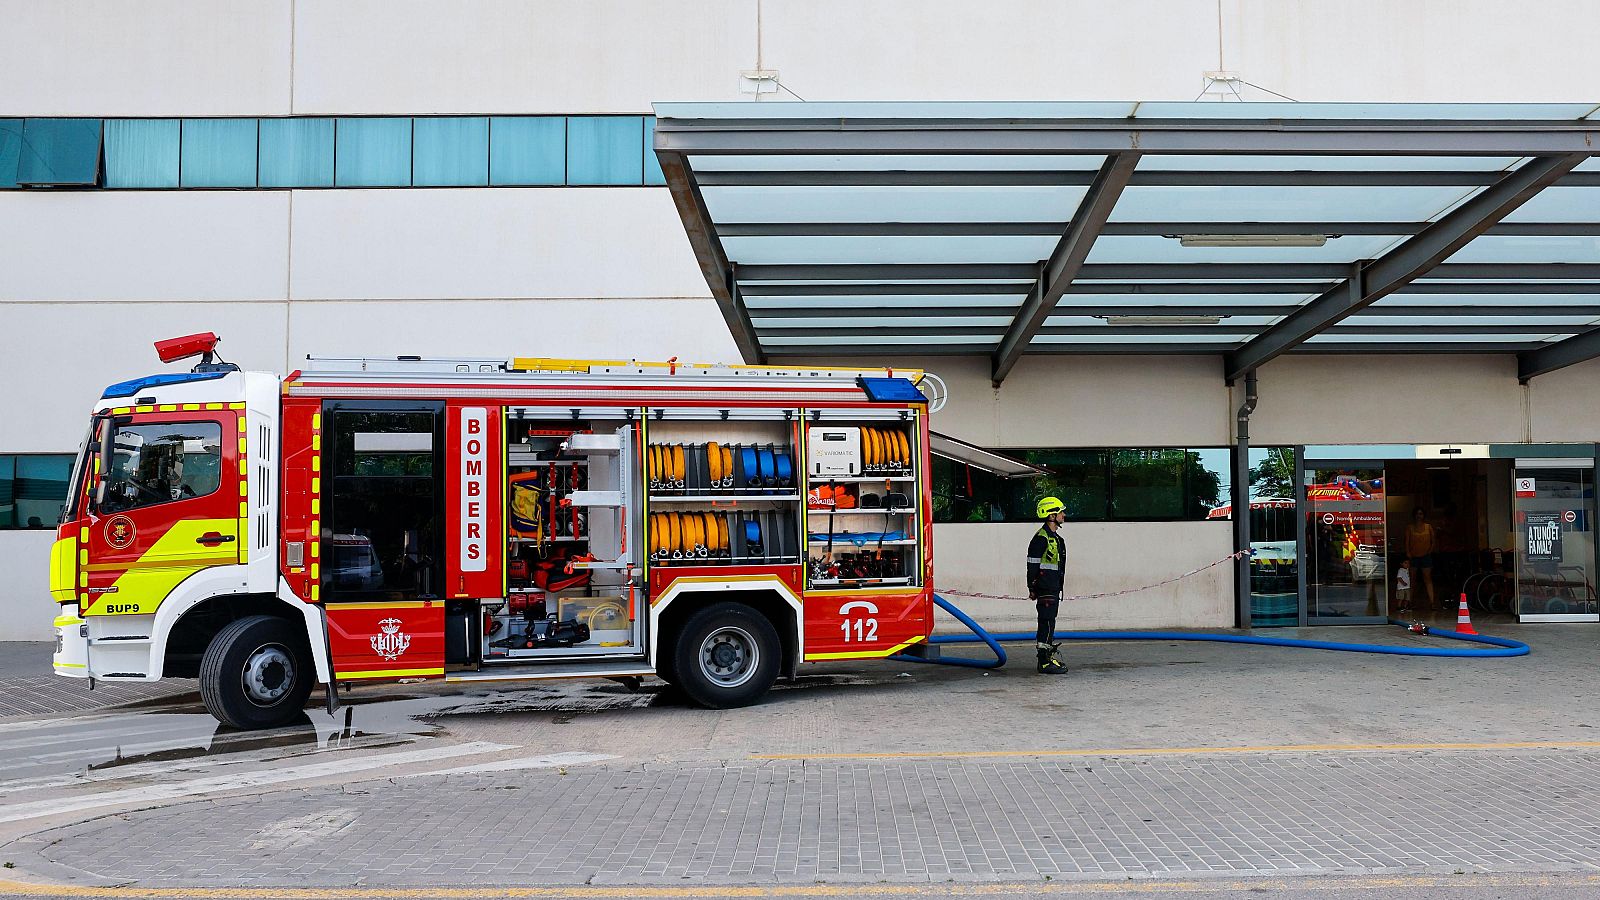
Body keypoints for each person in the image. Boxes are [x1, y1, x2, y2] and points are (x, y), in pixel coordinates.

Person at [1027, 496, 1069, 675]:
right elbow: (1032, 564)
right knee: (1046, 622)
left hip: (1052, 587)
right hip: (1045, 588)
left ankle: (1047, 657)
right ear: (1051, 516)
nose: (1064, 515)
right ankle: (1044, 662)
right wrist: (1032, 587)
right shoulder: (1041, 538)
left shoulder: (1056, 539)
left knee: (1050, 621)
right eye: (1061, 512)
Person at [1405, 508, 1437, 611]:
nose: (1419, 516)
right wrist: (1408, 553)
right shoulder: (1410, 528)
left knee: (1428, 579)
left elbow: (1433, 541)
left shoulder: (1428, 527)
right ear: (1414, 515)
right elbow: (1407, 542)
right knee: (1412, 580)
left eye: (1421, 514)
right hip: (1414, 556)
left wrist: (1430, 551)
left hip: (1426, 556)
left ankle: (1432, 603)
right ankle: (1409, 602)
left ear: (1424, 515)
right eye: (1417, 514)